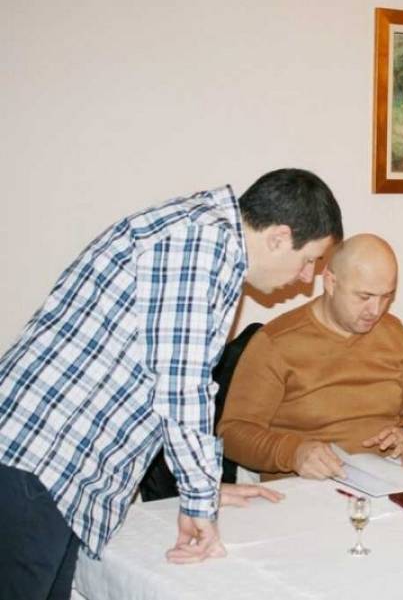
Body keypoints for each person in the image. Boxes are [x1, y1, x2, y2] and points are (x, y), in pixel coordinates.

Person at [0, 168, 343, 597]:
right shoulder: (200, 246)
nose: (307, 277)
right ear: (278, 237)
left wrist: (204, 486)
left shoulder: (203, 232)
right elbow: (182, 389)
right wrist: (200, 502)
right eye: (310, 259)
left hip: (50, 465)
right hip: (37, 461)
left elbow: (164, 375)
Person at [218, 234, 403, 480]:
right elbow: (232, 433)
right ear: (331, 283)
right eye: (365, 297)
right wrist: (293, 453)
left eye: (386, 296)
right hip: (310, 486)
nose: (376, 310)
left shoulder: (394, 333)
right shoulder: (275, 342)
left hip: (386, 478)